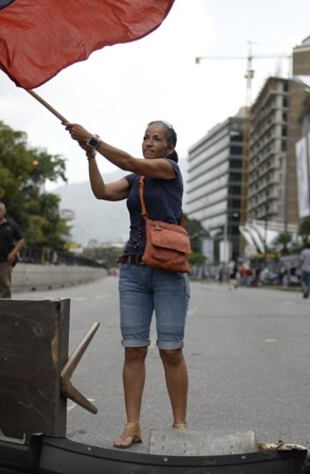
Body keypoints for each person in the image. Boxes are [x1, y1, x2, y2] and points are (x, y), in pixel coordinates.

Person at [66, 119, 189, 448]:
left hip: (168, 272)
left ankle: (180, 426)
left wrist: (94, 141)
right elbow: (102, 192)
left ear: (169, 148)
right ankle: (132, 425)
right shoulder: (135, 180)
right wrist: (90, 156)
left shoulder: (168, 170)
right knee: (133, 349)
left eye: (157, 139)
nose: (149, 143)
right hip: (133, 271)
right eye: (146, 137)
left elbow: (130, 162)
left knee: (171, 351)